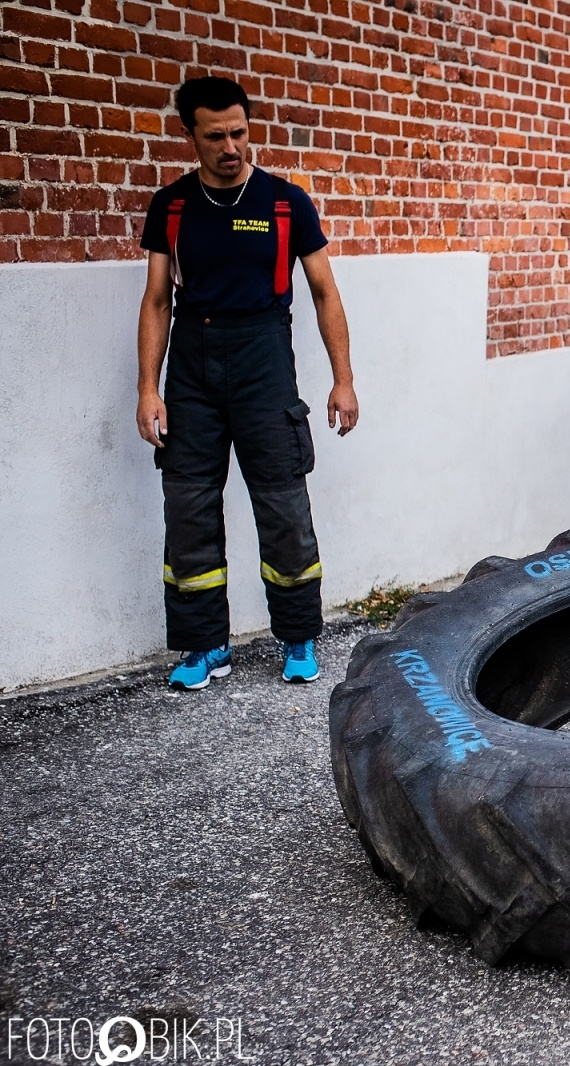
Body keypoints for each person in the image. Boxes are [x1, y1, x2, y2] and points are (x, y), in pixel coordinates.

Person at [136, 76, 358, 691]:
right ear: (190, 136)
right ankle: (203, 646)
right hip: (191, 364)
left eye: (239, 132)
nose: (230, 146)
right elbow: (157, 301)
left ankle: (297, 636)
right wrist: (147, 389)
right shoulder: (172, 206)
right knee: (189, 508)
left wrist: (344, 380)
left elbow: (324, 293)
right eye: (215, 136)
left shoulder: (286, 203)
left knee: (284, 505)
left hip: (264, 361)